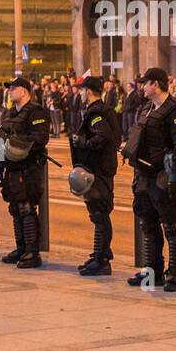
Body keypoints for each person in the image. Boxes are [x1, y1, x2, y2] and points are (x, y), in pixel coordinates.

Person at [124, 68, 176, 288]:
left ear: (155, 84)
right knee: (148, 225)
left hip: (163, 175)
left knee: (171, 226)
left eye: (145, 83)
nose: (142, 87)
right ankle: (152, 273)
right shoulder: (146, 108)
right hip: (143, 175)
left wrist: (175, 177)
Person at [0, 77, 51, 268]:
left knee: (26, 208)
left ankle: (32, 251)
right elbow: (0, 139)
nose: (10, 91)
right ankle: (21, 248)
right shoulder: (10, 113)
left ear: (25, 91)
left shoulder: (36, 112)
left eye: (13, 88)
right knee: (14, 208)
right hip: (11, 168)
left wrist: (17, 143)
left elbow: (40, 138)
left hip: (28, 167)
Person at [70, 75, 119, 276]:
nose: (80, 93)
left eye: (82, 90)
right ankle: (98, 254)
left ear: (89, 91)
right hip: (99, 170)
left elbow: (103, 136)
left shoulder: (97, 113)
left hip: (98, 171)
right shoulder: (100, 110)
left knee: (99, 214)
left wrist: (83, 144)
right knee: (97, 214)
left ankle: (102, 260)